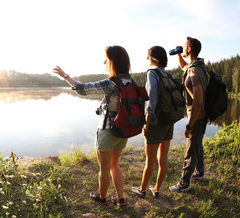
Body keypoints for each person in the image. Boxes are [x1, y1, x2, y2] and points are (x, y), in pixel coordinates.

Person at [53, 45, 132, 207]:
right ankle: (120, 199)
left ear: (114, 61)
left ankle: (102, 198)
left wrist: (65, 76)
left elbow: (82, 89)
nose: (104, 62)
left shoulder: (111, 83)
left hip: (108, 131)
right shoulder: (130, 81)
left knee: (104, 168)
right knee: (114, 165)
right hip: (124, 130)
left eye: (107, 59)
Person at [131, 46, 173, 198]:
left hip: (155, 121)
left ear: (153, 58)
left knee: (150, 161)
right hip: (168, 120)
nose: (146, 59)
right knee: (163, 158)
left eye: (147, 56)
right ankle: (156, 189)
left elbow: (152, 98)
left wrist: (147, 121)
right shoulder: (167, 74)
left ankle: (142, 190)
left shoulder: (152, 73)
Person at [169, 37, 209, 192]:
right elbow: (184, 67)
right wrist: (179, 54)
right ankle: (199, 172)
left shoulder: (195, 71)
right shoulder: (195, 66)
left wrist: (189, 125)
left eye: (185, 46)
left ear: (190, 48)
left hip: (197, 115)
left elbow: (198, 101)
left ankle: (183, 184)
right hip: (200, 115)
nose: (183, 47)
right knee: (197, 144)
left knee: (191, 149)